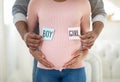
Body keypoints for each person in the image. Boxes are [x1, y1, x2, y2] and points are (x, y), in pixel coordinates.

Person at [12, 0, 106, 82]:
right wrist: (26, 37)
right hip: (43, 59)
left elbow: (99, 11)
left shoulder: (83, 3)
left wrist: (93, 36)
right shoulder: (36, 3)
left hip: (75, 61)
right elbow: (18, 9)